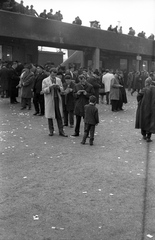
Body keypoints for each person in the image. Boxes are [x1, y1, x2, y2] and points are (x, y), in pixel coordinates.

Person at [41, 68, 68, 137]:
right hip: (50, 99)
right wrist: (50, 87)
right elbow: (43, 90)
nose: (54, 76)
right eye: (53, 74)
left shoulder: (58, 80)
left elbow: (62, 88)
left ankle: (61, 131)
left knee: (59, 115)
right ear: (50, 73)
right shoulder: (45, 80)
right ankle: (51, 131)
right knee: (50, 115)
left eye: (55, 75)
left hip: (57, 99)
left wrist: (58, 87)